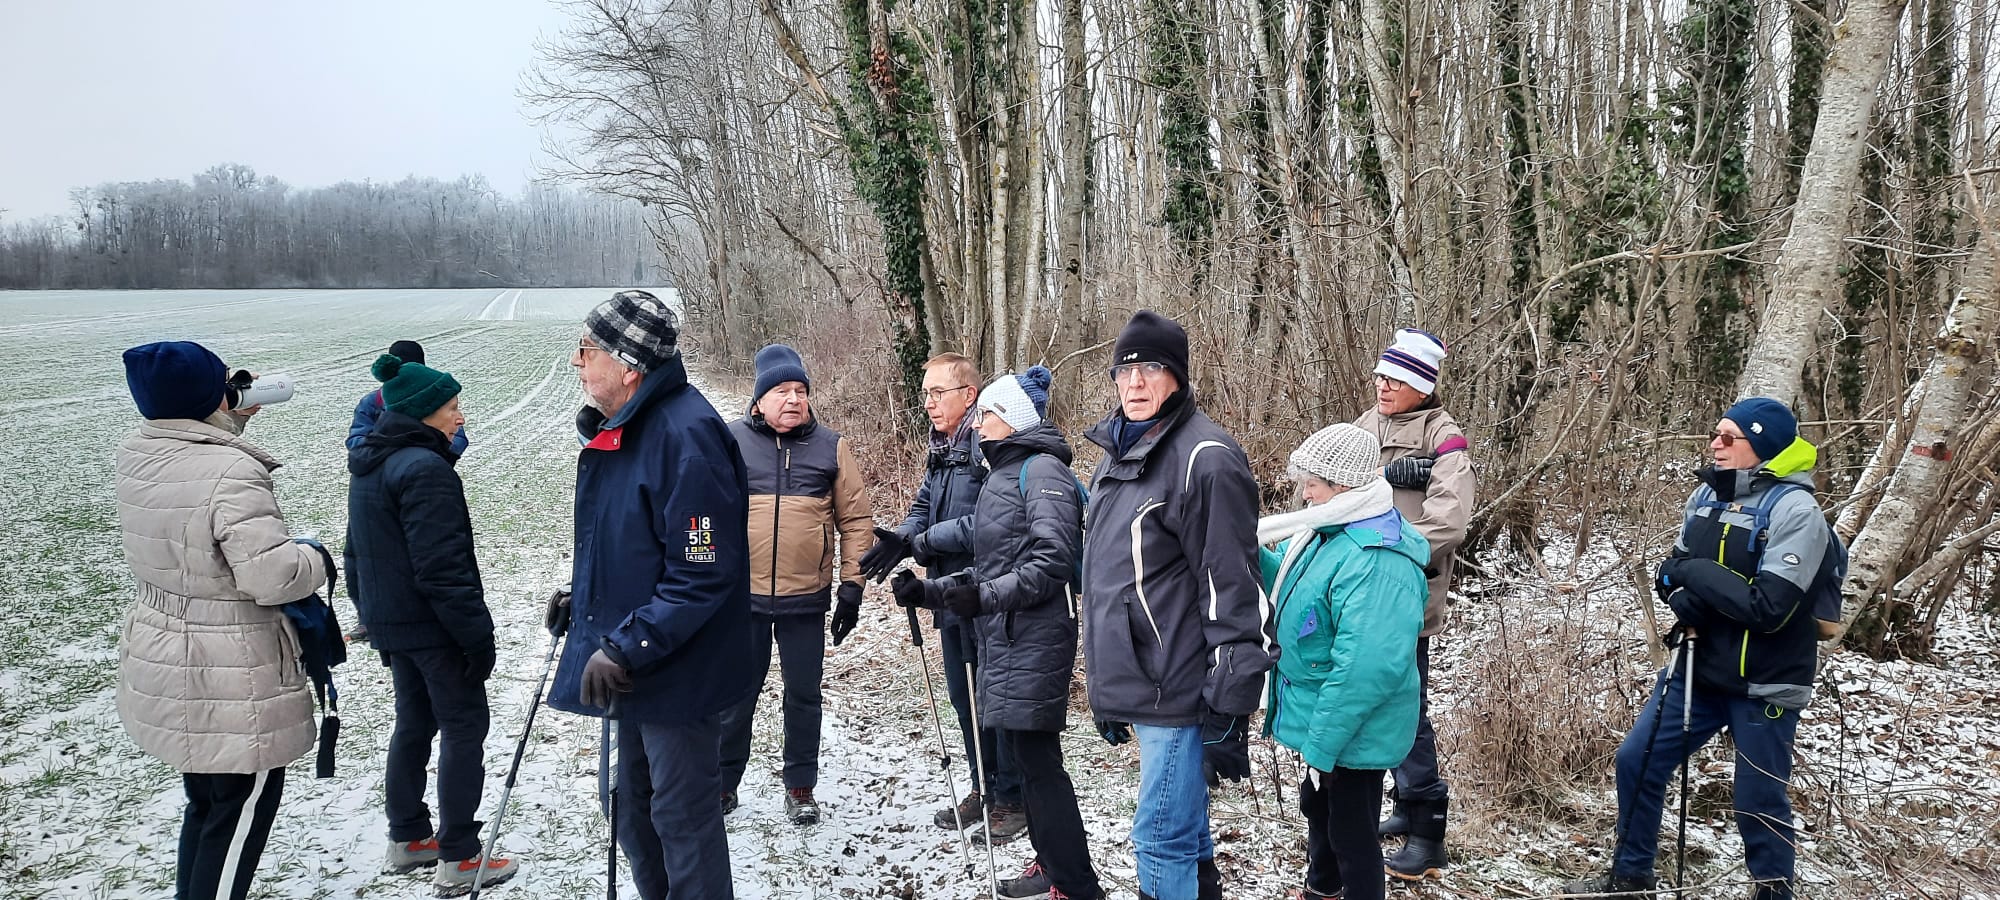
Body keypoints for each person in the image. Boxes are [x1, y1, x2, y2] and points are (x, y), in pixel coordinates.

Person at [1563, 398, 1826, 900]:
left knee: (1757, 798)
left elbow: (1769, 607)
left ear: (1763, 445)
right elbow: (1669, 572)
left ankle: (1773, 891)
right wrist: (1681, 594)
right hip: (1696, 666)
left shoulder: (1796, 511)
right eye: (1715, 433)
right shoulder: (1707, 495)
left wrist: (1697, 577)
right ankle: (1630, 878)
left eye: (1729, 437)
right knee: (1638, 760)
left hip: (1765, 680)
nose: (1715, 445)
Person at [544, 291, 757, 900]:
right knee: (629, 805)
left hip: (678, 670)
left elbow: (701, 571)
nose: (577, 361)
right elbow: (637, 545)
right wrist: (587, 598)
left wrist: (627, 643)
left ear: (628, 365)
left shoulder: (686, 439)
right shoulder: (628, 429)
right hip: (640, 662)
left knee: (681, 816)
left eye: (587, 350)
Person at [114, 341, 331, 900]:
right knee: (239, 814)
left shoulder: (139, 452)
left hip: (168, 654)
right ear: (212, 395)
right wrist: (317, 557)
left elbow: (194, 489)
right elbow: (273, 577)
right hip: (233, 670)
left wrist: (224, 419)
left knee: (209, 805)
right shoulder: (231, 470)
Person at [1080, 310, 1272, 900]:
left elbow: (1232, 585)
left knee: (1161, 839)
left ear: (1179, 377)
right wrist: (1108, 685)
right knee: (1187, 834)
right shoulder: (1120, 449)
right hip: (1142, 679)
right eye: (1125, 370)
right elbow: (1109, 577)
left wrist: (1231, 702)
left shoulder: (1205, 458)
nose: (1135, 383)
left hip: (1179, 689)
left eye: (1151, 369)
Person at [892, 366, 1103, 900]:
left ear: (1010, 419)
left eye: (987, 413)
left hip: (1034, 636)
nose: (978, 422)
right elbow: (990, 565)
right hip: (1005, 637)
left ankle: (1076, 884)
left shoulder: (1043, 472)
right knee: (1031, 763)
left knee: (1039, 764)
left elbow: (1052, 561)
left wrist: (984, 597)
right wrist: (929, 591)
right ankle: (1054, 866)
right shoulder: (1001, 476)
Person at [345, 354, 518, 891]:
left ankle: (408, 837)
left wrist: (372, 617)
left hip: (395, 626)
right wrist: (476, 638)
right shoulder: (425, 469)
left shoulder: (371, 462)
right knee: (464, 728)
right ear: (422, 413)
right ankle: (459, 855)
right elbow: (443, 568)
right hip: (434, 629)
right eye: (451, 407)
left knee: (414, 722)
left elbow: (354, 555)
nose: (460, 416)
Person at [856, 352, 1028, 843]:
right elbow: (924, 505)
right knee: (962, 696)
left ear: (968, 395)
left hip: (987, 592)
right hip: (946, 593)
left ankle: (1011, 797)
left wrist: (924, 542)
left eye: (938, 393)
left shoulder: (988, 446)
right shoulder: (943, 448)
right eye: (926, 394)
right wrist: (902, 536)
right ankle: (982, 786)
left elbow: (987, 524)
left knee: (991, 697)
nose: (929, 403)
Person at [1257, 424, 1429, 900]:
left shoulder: (1377, 560)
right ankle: (1322, 891)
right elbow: (1290, 583)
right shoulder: (1327, 531)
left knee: (1352, 835)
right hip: (1330, 720)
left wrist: (1321, 747)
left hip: (1356, 728)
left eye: (1313, 483)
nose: (1305, 494)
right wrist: (1248, 551)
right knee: (1320, 812)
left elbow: (1364, 672)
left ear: (1344, 485)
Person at [718, 344, 874, 825]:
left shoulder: (831, 446)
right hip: (739, 600)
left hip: (805, 599)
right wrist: (705, 582)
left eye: (800, 390)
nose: (793, 399)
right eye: (782, 391)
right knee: (734, 696)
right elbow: (701, 514)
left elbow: (856, 520)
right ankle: (721, 785)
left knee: (803, 696)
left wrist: (852, 586)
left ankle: (801, 787)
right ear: (759, 399)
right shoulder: (729, 441)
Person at [1352, 328, 1474, 881]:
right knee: (1378, 702)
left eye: (1395, 380)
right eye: (1381, 376)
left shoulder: (1444, 438)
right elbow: (1329, 478)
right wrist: (1382, 474)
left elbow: (1449, 521)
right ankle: (1403, 803)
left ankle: (1428, 831)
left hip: (1406, 596)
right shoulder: (1366, 424)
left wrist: (1387, 551)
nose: (1382, 385)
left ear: (1422, 388)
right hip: (1359, 591)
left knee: (1406, 708)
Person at [345, 339, 466, 645]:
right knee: (365, 557)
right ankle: (368, 618)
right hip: (380, 485)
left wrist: (429, 454)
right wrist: (390, 448)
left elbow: (458, 439)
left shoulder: (432, 395)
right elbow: (356, 440)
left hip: (424, 484)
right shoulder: (372, 402)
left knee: (428, 555)